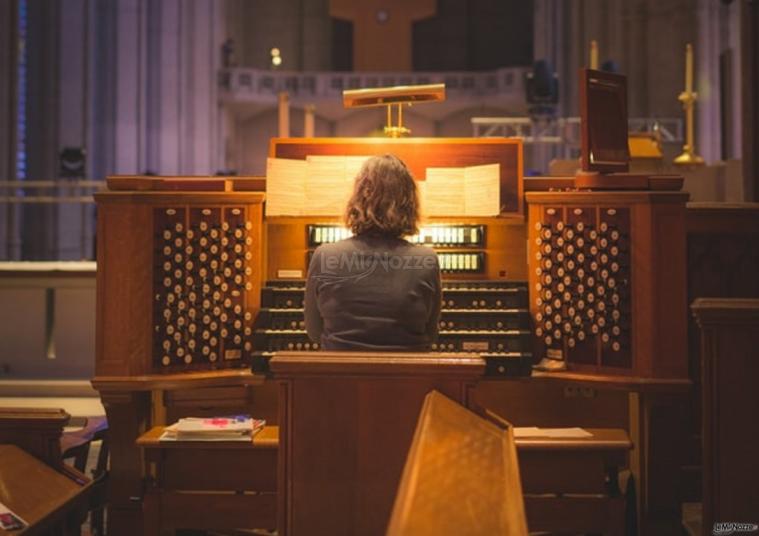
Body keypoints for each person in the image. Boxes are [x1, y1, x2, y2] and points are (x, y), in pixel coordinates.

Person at [304, 154, 441, 351]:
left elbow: (314, 332)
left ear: (357, 199)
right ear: (409, 204)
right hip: (407, 378)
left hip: (340, 377)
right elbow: (431, 334)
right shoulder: (426, 259)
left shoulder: (325, 255)